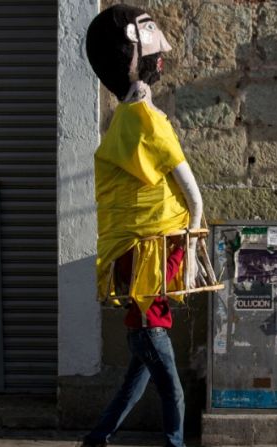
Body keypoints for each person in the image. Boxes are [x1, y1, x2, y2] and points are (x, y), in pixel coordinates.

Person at [82, 5, 203, 447]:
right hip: (147, 312)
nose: (163, 51)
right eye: (150, 38)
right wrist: (194, 227)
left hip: (145, 306)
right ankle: (174, 443)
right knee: (171, 387)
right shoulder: (146, 122)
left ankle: (98, 437)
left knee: (134, 384)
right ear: (132, 50)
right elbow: (190, 193)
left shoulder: (124, 123)